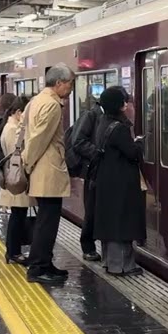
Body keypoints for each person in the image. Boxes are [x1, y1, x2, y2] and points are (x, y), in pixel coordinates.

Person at [21, 64, 75, 285]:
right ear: (59, 83)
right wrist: (27, 162)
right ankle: (38, 267)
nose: (71, 89)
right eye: (69, 84)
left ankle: (45, 262)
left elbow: (24, 131)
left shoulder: (36, 100)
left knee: (46, 219)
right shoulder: (52, 105)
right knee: (47, 221)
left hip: (42, 168)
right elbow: (38, 138)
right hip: (47, 169)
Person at [92, 86, 145, 276]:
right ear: (118, 105)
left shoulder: (103, 122)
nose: (126, 104)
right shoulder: (119, 128)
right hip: (121, 183)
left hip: (106, 180)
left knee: (110, 223)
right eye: (124, 101)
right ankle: (122, 266)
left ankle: (109, 262)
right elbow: (132, 153)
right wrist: (139, 143)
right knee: (122, 223)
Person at [66, 93, 104, 261]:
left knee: (98, 208)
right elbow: (77, 141)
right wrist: (97, 154)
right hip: (91, 170)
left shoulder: (108, 116)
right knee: (91, 209)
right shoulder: (91, 115)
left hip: (102, 169)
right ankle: (87, 246)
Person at [0, 95, 32, 264]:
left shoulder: (10, 126)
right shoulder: (13, 129)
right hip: (16, 178)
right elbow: (16, 155)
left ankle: (13, 250)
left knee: (18, 215)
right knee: (17, 215)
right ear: (19, 112)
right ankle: (13, 251)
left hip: (13, 178)